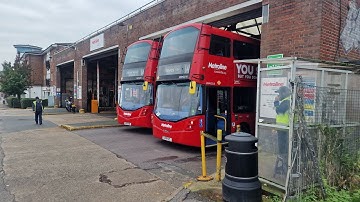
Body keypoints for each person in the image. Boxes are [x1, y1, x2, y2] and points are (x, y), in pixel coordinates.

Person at [273, 86, 291, 175]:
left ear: (284, 93)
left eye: (280, 93)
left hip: (285, 130)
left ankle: (285, 169)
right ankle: (284, 166)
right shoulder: (285, 101)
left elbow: (279, 111)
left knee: (283, 150)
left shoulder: (287, 101)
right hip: (282, 129)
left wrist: (276, 102)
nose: (278, 95)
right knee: (282, 150)